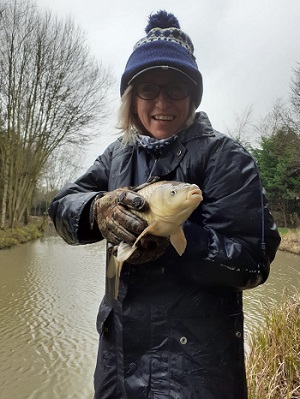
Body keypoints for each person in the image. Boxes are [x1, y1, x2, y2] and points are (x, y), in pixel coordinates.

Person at [48, 10, 281, 399]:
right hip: (117, 369)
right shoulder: (116, 156)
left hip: (196, 373)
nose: (162, 102)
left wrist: (177, 243)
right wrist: (96, 210)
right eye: (148, 89)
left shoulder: (228, 159)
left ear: (191, 95)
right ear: (132, 96)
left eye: (175, 88)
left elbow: (253, 262)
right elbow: (61, 207)